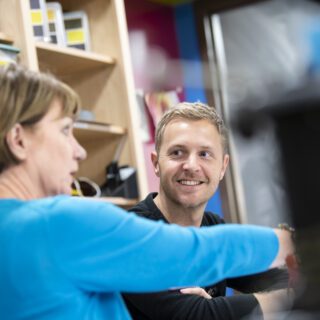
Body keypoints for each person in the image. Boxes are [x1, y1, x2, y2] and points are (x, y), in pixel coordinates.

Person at [0, 64, 293, 320]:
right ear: (18, 139)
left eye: (205, 154)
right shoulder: (56, 224)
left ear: (223, 165)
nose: (79, 151)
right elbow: (194, 253)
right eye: (65, 130)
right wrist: (288, 241)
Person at [123, 102, 293, 320]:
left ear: (222, 167)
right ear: (156, 163)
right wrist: (285, 299)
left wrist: (215, 308)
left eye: (204, 154)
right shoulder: (134, 235)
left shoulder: (213, 227)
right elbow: (196, 315)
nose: (191, 166)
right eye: (177, 152)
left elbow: (282, 278)